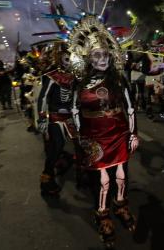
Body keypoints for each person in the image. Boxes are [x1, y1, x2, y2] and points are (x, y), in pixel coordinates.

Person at [69, 15, 138, 249]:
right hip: (94, 138)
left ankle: (121, 205)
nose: (102, 59)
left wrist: (133, 134)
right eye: (97, 55)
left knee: (121, 175)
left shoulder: (119, 80)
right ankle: (102, 214)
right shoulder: (79, 83)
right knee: (102, 179)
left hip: (118, 135)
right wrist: (80, 137)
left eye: (105, 54)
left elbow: (129, 108)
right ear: (88, 57)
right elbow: (75, 110)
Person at [36, 42, 77, 195]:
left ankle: (81, 171)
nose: (69, 61)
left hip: (71, 117)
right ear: (60, 59)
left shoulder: (75, 77)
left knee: (81, 143)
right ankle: (46, 178)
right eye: (67, 58)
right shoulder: (52, 76)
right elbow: (43, 98)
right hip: (56, 116)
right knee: (57, 145)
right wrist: (41, 119)